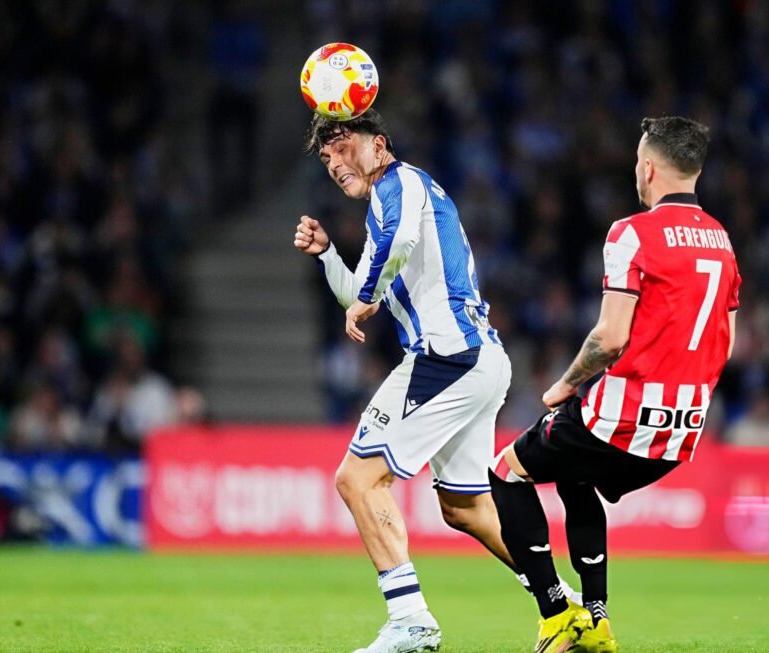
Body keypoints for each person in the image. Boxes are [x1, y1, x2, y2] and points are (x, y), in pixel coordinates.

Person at [489, 116, 740, 653]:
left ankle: (558, 614)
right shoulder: (722, 243)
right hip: (684, 428)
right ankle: (597, 621)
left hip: (621, 414)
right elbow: (727, 340)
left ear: (648, 167)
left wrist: (563, 385)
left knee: (507, 473)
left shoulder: (632, 232)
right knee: (573, 478)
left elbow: (609, 336)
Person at [294, 111, 518, 653]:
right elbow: (358, 292)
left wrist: (369, 292)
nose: (335, 163)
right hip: (477, 361)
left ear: (380, 144)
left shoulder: (404, 183)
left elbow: (389, 257)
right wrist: (327, 254)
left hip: (448, 356)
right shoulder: (384, 208)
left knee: (357, 478)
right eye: (326, 159)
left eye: (343, 147)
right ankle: (567, 604)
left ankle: (411, 619)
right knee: (466, 508)